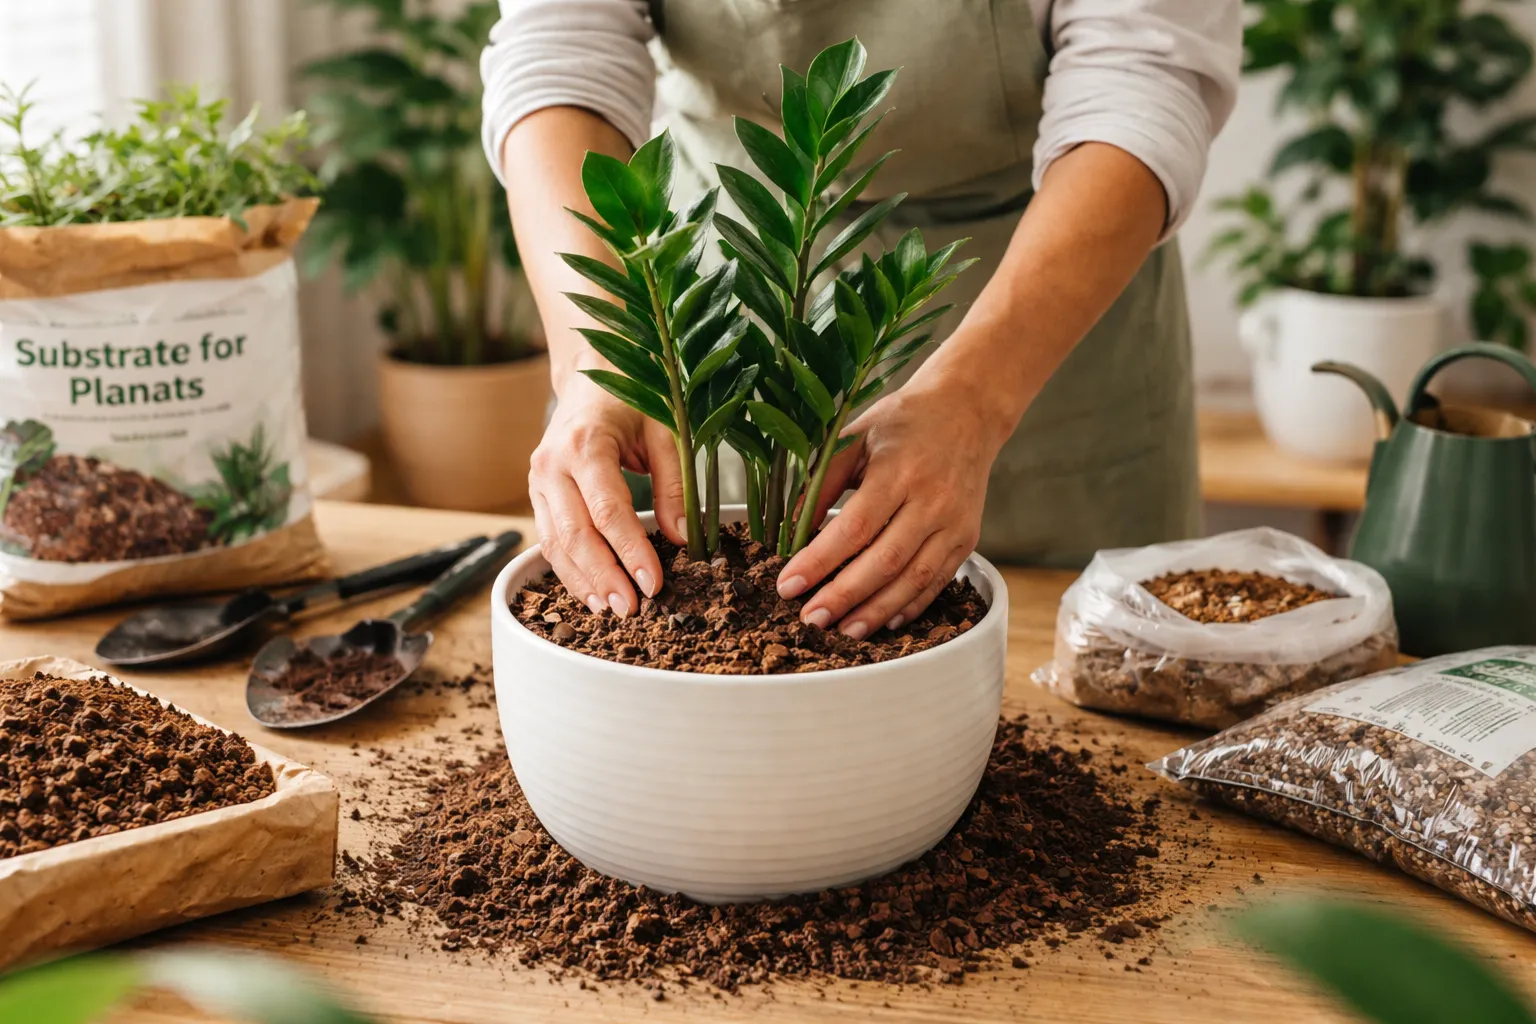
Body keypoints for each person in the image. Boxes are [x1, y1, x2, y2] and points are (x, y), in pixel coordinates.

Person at [482, 0, 1241, 639]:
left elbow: (1143, 81)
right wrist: (605, 354)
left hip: (1038, 291)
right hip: (725, 282)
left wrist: (977, 400)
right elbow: (560, 45)